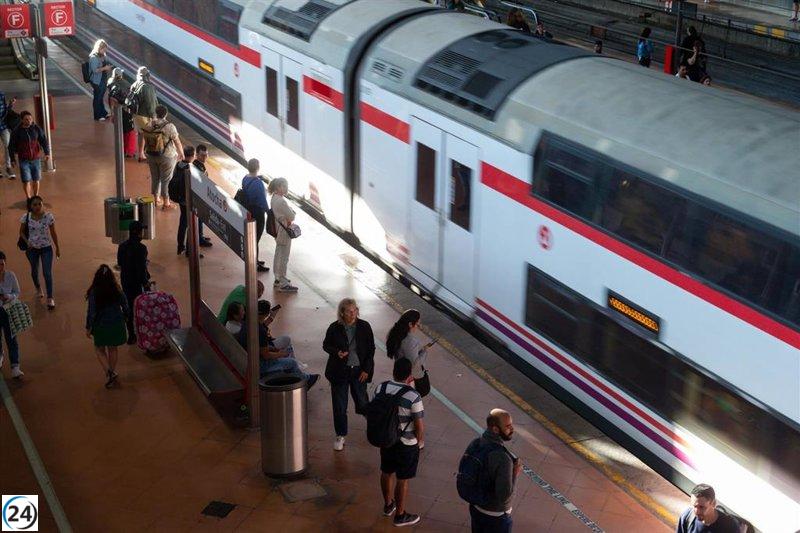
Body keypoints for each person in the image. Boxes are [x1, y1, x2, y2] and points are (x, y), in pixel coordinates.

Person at [322, 298, 375, 451]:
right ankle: (340, 434)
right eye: (349, 312)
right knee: (339, 406)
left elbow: (371, 350)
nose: (353, 314)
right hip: (339, 372)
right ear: (342, 313)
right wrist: (336, 352)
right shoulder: (334, 328)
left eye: (355, 310)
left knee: (362, 402)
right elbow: (326, 345)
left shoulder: (364, 326)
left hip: (359, 371)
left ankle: (372, 424)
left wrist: (366, 369)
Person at [376, 357, 424, 527]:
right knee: (402, 479)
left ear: (394, 371)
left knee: (386, 471)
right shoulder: (413, 396)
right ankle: (400, 515)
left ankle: (388, 505)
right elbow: (419, 425)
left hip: (386, 439)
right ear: (409, 375)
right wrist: (419, 443)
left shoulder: (381, 387)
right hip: (406, 443)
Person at [236, 299, 318, 386]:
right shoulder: (260, 331)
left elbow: (260, 348)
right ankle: (306, 382)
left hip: (249, 360)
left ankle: (298, 376)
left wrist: (274, 349)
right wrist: (281, 354)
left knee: (287, 353)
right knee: (291, 362)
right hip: (259, 366)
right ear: (267, 314)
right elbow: (266, 355)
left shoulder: (248, 324)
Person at [466, 409, 520, 533]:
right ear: (495, 429)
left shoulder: (475, 444)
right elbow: (504, 495)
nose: (512, 429)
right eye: (508, 426)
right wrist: (514, 473)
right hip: (495, 515)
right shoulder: (503, 457)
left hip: (476, 506)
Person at [85, 265, 129, 389]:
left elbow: (92, 312)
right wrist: (126, 316)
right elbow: (125, 304)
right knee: (113, 348)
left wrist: (88, 327)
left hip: (101, 325)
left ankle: (109, 372)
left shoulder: (94, 292)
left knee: (99, 349)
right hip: (116, 323)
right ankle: (112, 371)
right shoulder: (116, 289)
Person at [18, 196, 59, 310]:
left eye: (39, 204)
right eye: (34, 205)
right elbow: (21, 232)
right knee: (34, 271)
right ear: (30, 206)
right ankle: (38, 288)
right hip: (32, 250)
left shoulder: (48, 217)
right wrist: (27, 242)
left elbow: (53, 233)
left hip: (46, 248)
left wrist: (57, 247)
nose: (37, 207)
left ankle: (50, 297)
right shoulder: (26, 217)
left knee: (47, 273)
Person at [117, 221, 150, 345]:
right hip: (137, 283)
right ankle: (143, 332)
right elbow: (141, 269)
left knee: (128, 308)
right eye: (141, 230)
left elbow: (120, 263)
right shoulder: (142, 249)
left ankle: (131, 334)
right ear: (137, 232)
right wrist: (145, 283)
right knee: (140, 307)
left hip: (125, 281)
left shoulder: (122, 246)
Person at [144, 105, 183, 208]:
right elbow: (177, 141)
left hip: (151, 154)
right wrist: (181, 153)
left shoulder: (149, 124)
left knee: (155, 177)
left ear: (156, 113)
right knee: (166, 179)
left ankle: (156, 199)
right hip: (167, 156)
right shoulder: (170, 126)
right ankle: (166, 203)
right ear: (166, 114)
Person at [9, 111, 50, 200]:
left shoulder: (36, 128)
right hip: (24, 160)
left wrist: (47, 153)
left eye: (30, 119)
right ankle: (29, 198)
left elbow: (43, 140)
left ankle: (35, 197)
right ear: (22, 120)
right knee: (26, 180)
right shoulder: (16, 131)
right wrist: (12, 159)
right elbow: (11, 146)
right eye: (26, 119)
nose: (29, 121)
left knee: (36, 179)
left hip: (36, 159)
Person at [386, 309, 432, 386]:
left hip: (399, 372)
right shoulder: (410, 341)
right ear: (410, 324)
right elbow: (414, 364)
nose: (418, 327)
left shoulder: (396, 333)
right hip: (410, 378)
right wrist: (424, 351)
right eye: (417, 324)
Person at [241, 159, 270, 273]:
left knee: (252, 236)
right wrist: (269, 212)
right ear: (258, 168)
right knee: (256, 238)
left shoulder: (245, 178)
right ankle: (255, 263)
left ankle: (255, 259)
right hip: (258, 213)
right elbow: (262, 201)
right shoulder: (258, 183)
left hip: (249, 211)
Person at [269, 177, 298, 291]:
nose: (286, 188)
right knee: (284, 256)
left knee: (278, 253)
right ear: (278, 187)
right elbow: (292, 216)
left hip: (278, 230)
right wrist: (290, 211)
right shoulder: (281, 201)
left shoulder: (274, 198)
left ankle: (277, 278)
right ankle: (282, 282)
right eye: (284, 186)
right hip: (284, 231)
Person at [675, 484, 741, 533]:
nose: (696, 511)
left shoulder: (730, 526)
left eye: (701, 507)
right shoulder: (687, 517)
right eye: (694, 506)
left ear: (713, 504)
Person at [128, 66, 158, 162]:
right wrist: (154, 117)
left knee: (141, 134)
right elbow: (150, 104)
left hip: (136, 115)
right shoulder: (148, 87)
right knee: (152, 135)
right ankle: (151, 155)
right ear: (148, 75)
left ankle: (140, 154)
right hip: (145, 116)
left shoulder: (135, 84)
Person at [0, 251, 23, 378]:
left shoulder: (11, 275)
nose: (1, 267)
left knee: (12, 338)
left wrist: (9, 296)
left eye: (2, 264)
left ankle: (15, 366)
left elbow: (17, 292)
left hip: (8, 310)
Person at [106, 68, 136, 158]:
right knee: (129, 131)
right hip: (126, 110)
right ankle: (130, 151)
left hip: (116, 110)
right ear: (121, 75)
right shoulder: (126, 84)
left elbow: (110, 98)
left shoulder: (110, 82)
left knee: (120, 131)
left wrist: (111, 113)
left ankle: (121, 149)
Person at [172, 145, 195, 255]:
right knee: (190, 224)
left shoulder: (178, 165)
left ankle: (180, 246)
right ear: (192, 156)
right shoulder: (190, 168)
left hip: (180, 198)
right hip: (188, 200)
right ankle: (189, 251)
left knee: (182, 223)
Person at [190, 144, 213, 248]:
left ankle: (201, 235)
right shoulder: (196, 167)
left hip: (201, 196)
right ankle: (199, 238)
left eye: (206, 155)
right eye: (202, 155)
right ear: (197, 155)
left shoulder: (200, 165)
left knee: (201, 218)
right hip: (198, 197)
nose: (205, 157)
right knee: (199, 218)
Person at [88, 39, 113, 121]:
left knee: (101, 96)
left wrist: (107, 68)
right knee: (97, 98)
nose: (105, 51)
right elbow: (94, 70)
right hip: (96, 81)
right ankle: (97, 115)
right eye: (104, 49)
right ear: (99, 48)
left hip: (102, 79)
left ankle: (103, 112)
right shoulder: (94, 57)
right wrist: (104, 68)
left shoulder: (102, 56)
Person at [0, 90, 17, 178]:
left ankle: (8, 167)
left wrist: (10, 104)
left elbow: (6, 110)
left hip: (3, 126)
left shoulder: (1, 94)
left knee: (8, 146)